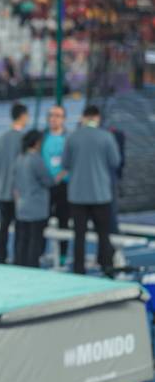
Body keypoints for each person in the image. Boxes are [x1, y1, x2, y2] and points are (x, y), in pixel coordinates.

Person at [61, 105, 121, 275]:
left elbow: (65, 164)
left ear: (83, 117)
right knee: (103, 234)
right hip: (100, 194)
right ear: (97, 117)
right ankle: (106, 266)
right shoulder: (106, 137)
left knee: (79, 235)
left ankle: (79, 269)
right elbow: (115, 162)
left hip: (77, 195)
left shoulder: (72, 137)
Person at [0, 102, 29, 263]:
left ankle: (1, 258)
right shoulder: (24, 139)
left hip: (2, 190)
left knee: (3, 227)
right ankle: (18, 259)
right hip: (17, 192)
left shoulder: (1, 138)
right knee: (20, 228)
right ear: (22, 116)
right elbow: (22, 168)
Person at [14, 130, 53, 268]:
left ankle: (20, 267)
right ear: (37, 143)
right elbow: (48, 181)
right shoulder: (36, 159)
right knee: (35, 242)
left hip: (22, 206)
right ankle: (32, 268)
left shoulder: (20, 158)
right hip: (36, 208)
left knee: (22, 241)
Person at [41, 105, 69, 264]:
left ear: (63, 119)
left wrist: (62, 174)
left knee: (63, 221)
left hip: (64, 186)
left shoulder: (68, 138)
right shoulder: (42, 138)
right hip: (46, 186)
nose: (54, 118)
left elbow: (73, 161)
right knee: (42, 220)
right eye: (51, 115)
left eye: (57, 115)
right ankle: (40, 252)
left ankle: (63, 255)